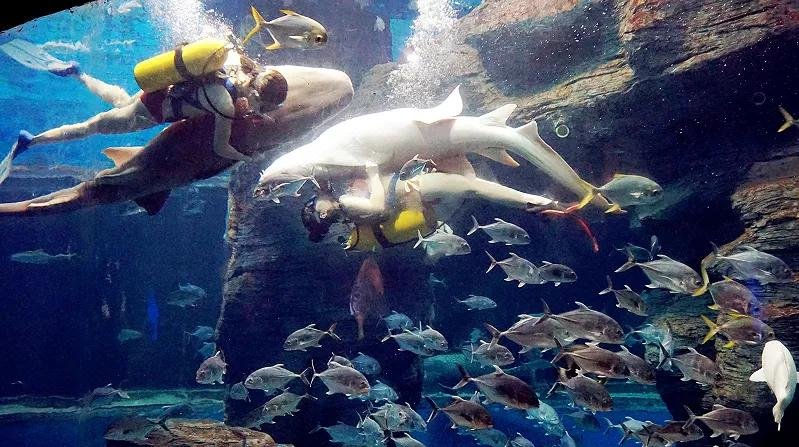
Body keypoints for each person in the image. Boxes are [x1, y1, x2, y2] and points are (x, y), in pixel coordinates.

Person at [11, 42, 285, 162]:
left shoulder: (237, 64)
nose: (257, 112)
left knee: (121, 101)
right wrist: (247, 157)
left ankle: (78, 73)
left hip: (159, 89)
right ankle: (31, 140)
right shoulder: (224, 104)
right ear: (256, 94)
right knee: (90, 127)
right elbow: (220, 147)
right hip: (152, 112)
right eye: (262, 108)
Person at [299, 165, 564, 249]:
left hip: (413, 203)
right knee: (471, 186)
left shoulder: (342, 210)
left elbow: (322, 183)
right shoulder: (345, 203)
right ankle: (536, 204)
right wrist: (373, 172)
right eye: (313, 203)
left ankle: (534, 204)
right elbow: (380, 209)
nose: (315, 198)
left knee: (469, 185)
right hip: (410, 191)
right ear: (322, 212)